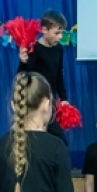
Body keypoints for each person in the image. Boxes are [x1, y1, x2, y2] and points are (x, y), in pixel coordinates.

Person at [18, 9, 69, 144]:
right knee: (36, 137)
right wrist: (23, 62)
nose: (60, 37)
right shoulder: (34, 48)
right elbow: (23, 76)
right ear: (44, 30)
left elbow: (59, 74)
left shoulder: (59, 49)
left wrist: (63, 98)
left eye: (62, 33)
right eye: (56, 33)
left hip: (50, 102)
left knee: (59, 141)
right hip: (35, 102)